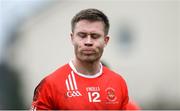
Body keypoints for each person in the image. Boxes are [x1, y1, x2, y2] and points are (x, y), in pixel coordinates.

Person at [31, 8, 129, 110]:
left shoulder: (118, 83)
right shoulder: (50, 85)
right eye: (82, 35)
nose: (88, 42)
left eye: (95, 36)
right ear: (72, 38)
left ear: (106, 41)